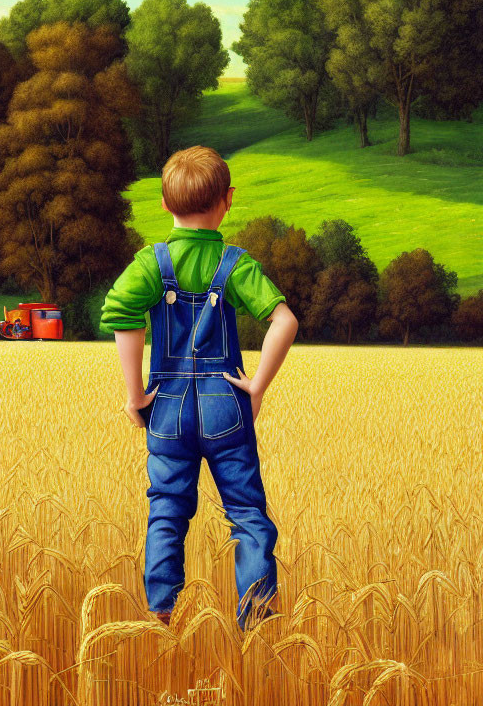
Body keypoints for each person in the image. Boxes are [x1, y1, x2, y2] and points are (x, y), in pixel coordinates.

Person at [99, 145, 298, 631]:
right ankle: (256, 620)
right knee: (248, 515)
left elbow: (122, 317)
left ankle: (161, 613)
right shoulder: (235, 265)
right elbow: (284, 320)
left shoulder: (151, 263)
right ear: (228, 200)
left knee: (166, 510)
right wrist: (256, 387)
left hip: (166, 406)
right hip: (226, 405)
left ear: (165, 206)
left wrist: (134, 395)